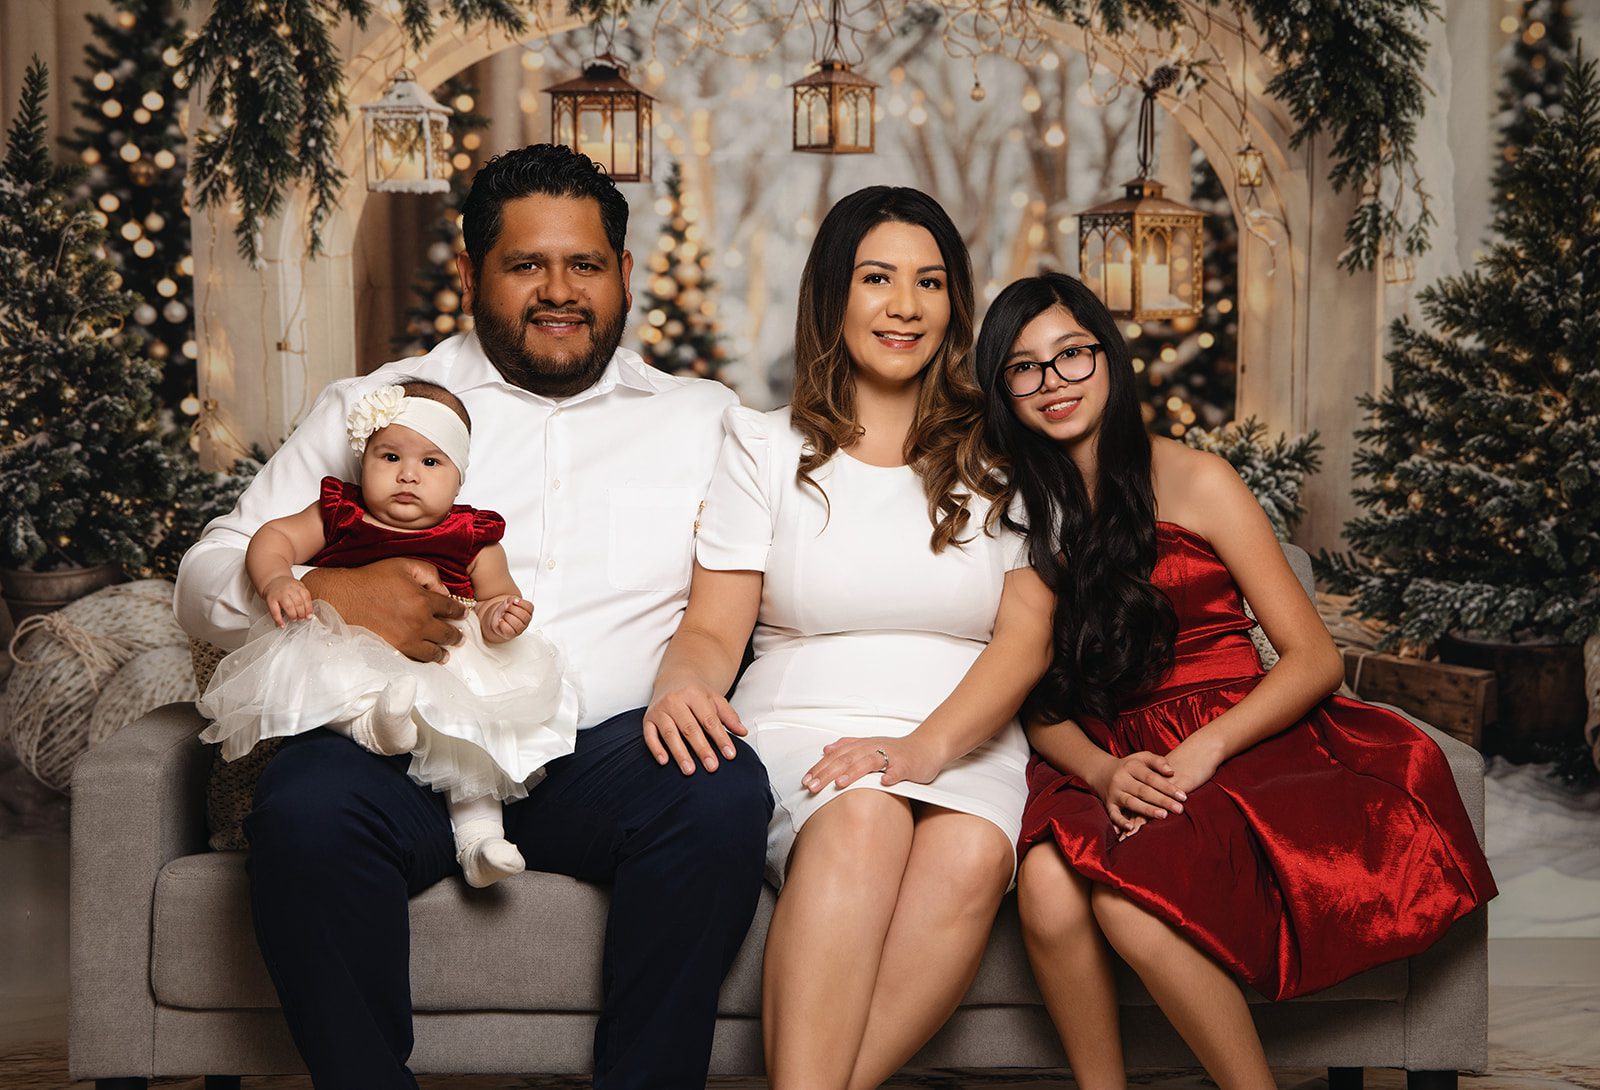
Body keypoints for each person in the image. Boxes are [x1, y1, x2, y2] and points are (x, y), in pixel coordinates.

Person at [174, 144, 772, 1090]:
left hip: (604, 757)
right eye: (526, 264)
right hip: (401, 749)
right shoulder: (375, 410)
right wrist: (331, 593)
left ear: (623, 275)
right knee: (305, 810)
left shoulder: (703, 419)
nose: (558, 291)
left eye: (583, 265)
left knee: (720, 790)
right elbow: (203, 573)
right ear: (470, 274)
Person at [972, 272, 1498, 1090]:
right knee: (1043, 879)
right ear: (1005, 390)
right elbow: (1033, 701)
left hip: (1235, 728)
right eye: (1025, 367)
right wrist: (1104, 770)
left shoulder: (1198, 479)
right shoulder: (1013, 517)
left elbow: (1313, 657)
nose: (1054, 382)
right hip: (1107, 749)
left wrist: (1206, 749)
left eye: (1072, 355)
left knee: (1125, 899)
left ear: (1107, 358)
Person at [644, 186, 1053, 1090]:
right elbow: (715, 626)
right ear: (833, 294)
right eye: (877, 278)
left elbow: (1024, 644)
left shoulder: (1008, 454)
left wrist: (920, 749)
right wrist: (682, 683)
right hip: (807, 724)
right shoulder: (761, 446)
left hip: (963, 733)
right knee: (862, 815)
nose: (905, 306)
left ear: (956, 305)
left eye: (930, 282)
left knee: (972, 851)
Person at [197, 380, 580, 888]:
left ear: (458, 478)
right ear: (363, 461)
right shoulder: (340, 514)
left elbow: (496, 597)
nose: (407, 475)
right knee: (318, 676)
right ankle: (368, 727)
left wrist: (499, 617)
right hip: (351, 645)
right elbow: (273, 537)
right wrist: (279, 579)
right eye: (390, 456)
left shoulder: (473, 538)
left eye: (430, 463)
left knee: (472, 738)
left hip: (445, 659)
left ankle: (481, 841)